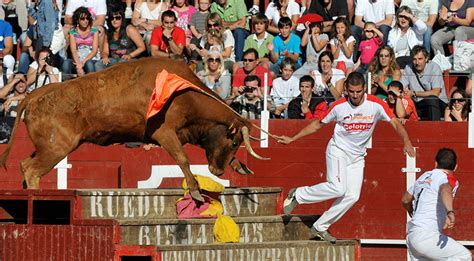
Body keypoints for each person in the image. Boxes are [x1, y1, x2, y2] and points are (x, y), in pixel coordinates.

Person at [278, 72, 416, 242]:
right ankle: (297, 195)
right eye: (352, 91)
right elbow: (317, 125)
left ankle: (320, 227)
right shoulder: (339, 106)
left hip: (358, 156)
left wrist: (407, 141)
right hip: (338, 150)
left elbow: (395, 122)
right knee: (338, 188)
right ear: (346, 90)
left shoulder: (376, 104)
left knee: (352, 196)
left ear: (364, 89)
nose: (355, 95)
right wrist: (293, 138)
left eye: (358, 91)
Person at [402, 148, 472, 260]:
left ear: (435, 164)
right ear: (455, 167)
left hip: (412, 234)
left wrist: (411, 210)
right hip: (427, 235)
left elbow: (406, 199)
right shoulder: (448, 178)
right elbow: (445, 189)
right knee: (463, 256)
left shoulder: (425, 176)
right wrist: (450, 212)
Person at [401, 45, 448, 121]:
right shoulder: (408, 68)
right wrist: (404, 92)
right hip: (418, 103)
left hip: (438, 103)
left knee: (432, 99)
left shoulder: (434, 67)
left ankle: (434, 129)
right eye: (414, 59)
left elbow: (435, 92)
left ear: (426, 59)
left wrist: (414, 93)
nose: (417, 62)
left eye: (420, 59)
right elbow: (401, 87)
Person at [62, 7, 100, 77]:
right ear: (77, 20)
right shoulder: (73, 32)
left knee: (89, 64)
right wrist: (79, 64)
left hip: (91, 58)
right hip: (78, 58)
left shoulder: (94, 31)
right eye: (82, 19)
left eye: (87, 18)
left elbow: (94, 51)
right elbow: (73, 51)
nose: (85, 21)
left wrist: (83, 62)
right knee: (66, 64)